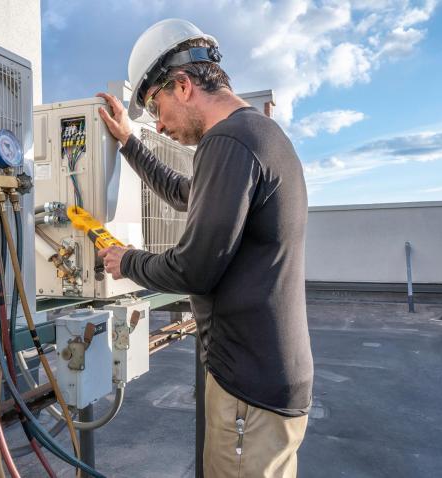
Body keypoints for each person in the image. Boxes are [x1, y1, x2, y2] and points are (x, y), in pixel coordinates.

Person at [96, 18, 313, 478]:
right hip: (267, 379)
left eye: (156, 105)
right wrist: (129, 144)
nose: (159, 122)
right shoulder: (255, 136)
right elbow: (183, 191)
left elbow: (195, 269)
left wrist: (125, 261)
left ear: (183, 85)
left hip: (248, 392)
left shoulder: (229, 142)